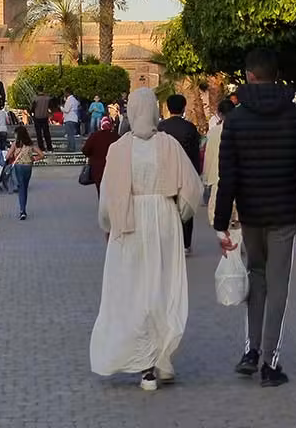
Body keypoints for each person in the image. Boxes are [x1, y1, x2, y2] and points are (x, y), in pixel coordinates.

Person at [214, 48, 296, 387]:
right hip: (284, 215)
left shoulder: (236, 120)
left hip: (251, 215)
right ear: (277, 75)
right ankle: (271, 364)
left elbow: (227, 175)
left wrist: (220, 222)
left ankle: (251, 351)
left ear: (249, 75)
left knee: (255, 281)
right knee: (278, 287)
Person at [91, 88, 202, 390]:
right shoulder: (169, 145)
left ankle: (148, 365)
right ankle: (160, 359)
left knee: (134, 289)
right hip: (163, 220)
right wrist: (178, 212)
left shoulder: (119, 149)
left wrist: (108, 224)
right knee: (161, 288)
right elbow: (192, 188)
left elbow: (109, 197)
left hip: (130, 222)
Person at [158, 94, 202, 255]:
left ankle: (169, 241)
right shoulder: (190, 127)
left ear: (168, 108)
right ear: (184, 107)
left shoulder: (161, 127)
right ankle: (185, 243)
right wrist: (197, 174)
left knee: (167, 208)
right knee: (186, 208)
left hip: (165, 173)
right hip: (186, 172)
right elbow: (195, 153)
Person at [202, 99, 235, 225]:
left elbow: (208, 156)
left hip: (217, 177)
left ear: (219, 113)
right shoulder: (242, 129)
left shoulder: (213, 132)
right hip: (237, 179)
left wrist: (206, 177)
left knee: (218, 216)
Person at [5, 124, 44, 220]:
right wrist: (33, 158)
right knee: (25, 187)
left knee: (21, 188)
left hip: (18, 167)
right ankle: (23, 208)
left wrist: (13, 155)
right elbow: (42, 154)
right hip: (28, 167)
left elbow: (7, 156)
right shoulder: (30, 144)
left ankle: (22, 210)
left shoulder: (16, 144)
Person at [82, 116, 119, 195]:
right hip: (114, 169)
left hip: (97, 169)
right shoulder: (116, 136)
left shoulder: (95, 136)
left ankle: (103, 206)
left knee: (101, 192)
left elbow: (85, 150)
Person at [31, 87, 53, 152]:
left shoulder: (36, 99)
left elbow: (32, 108)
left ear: (38, 91)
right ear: (43, 90)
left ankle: (42, 148)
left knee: (39, 134)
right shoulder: (47, 98)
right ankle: (49, 147)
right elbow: (51, 107)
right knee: (46, 133)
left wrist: (32, 115)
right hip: (45, 117)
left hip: (37, 117)